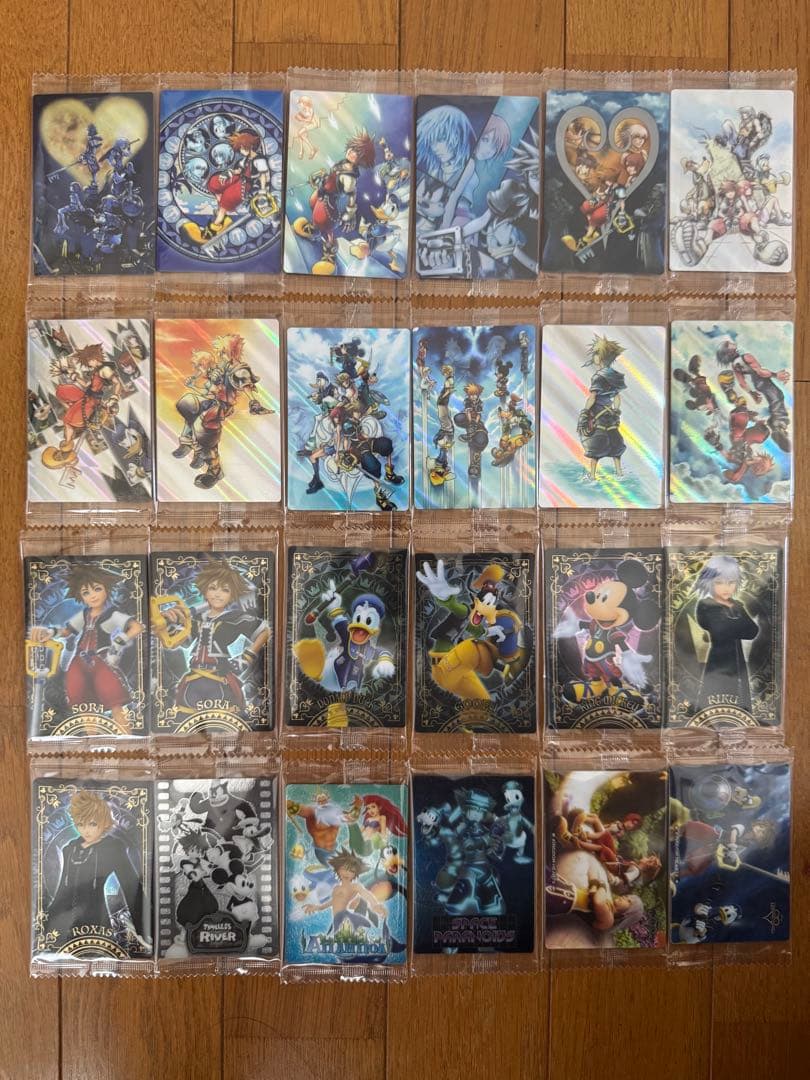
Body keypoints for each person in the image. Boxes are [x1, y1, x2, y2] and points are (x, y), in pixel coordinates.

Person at [693, 555, 759, 714]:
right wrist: (737, 624)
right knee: (713, 698)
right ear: (709, 582)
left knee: (741, 704)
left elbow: (752, 631)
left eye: (731, 582)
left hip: (739, 662)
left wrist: (732, 621)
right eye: (719, 582)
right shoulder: (705, 606)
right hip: (718, 661)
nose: (726, 588)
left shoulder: (737, 605)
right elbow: (720, 630)